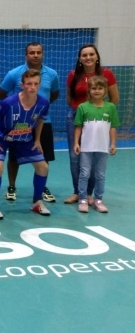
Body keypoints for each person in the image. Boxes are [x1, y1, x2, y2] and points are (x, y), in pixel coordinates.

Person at [0, 42, 59, 203]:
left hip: (42, 122)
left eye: (38, 52)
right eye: (32, 52)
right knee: (13, 156)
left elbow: (54, 94)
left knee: (42, 156)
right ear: (26, 55)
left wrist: (37, 110)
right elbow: (2, 93)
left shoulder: (52, 74)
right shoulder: (14, 73)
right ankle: (12, 186)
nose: (35, 55)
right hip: (18, 123)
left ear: (42, 54)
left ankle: (42, 187)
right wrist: (18, 110)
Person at [0, 70, 51, 218]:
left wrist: (37, 140)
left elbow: (41, 120)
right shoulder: (8, 103)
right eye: (29, 84)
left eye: (36, 84)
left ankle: (36, 202)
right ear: (22, 85)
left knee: (43, 167)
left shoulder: (43, 103)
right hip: (2, 139)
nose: (32, 87)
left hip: (25, 139)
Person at [64, 44, 119, 204]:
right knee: (75, 156)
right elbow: (69, 98)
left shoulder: (107, 74)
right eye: (84, 55)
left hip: (98, 118)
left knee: (94, 154)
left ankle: (89, 193)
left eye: (91, 54)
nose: (88, 57)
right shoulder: (73, 75)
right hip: (76, 116)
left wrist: (99, 111)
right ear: (80, 59)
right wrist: (81, 110)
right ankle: (77, 192)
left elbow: (114, 98)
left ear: (97, 57)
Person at [73, 76, 119, 213]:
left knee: (100, 175)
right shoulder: (82, 107)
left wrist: (113, 143)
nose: (97, 91)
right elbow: (78, 127)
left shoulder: (110, 107)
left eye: (100, 88)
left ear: (105, 90)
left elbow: (113, 127)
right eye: (94, 88)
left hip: (103, 148)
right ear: (89, 91)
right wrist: (76, 143)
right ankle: (82, 199)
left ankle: (98, 199)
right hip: (86, 147)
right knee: (84, 173)